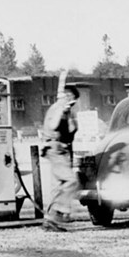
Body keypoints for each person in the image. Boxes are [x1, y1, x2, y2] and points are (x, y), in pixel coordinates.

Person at [41, 84, 82, 230]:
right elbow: (53, 126)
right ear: (67, 96)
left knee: (58, 186)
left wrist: (69, 114)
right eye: (72, 100)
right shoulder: (57, 108)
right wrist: (62, 110)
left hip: (61, 150)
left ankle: (50, 220)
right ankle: (58, 213)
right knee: (71, 181)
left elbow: (72, 130)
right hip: (56, 148)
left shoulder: (65, 110)